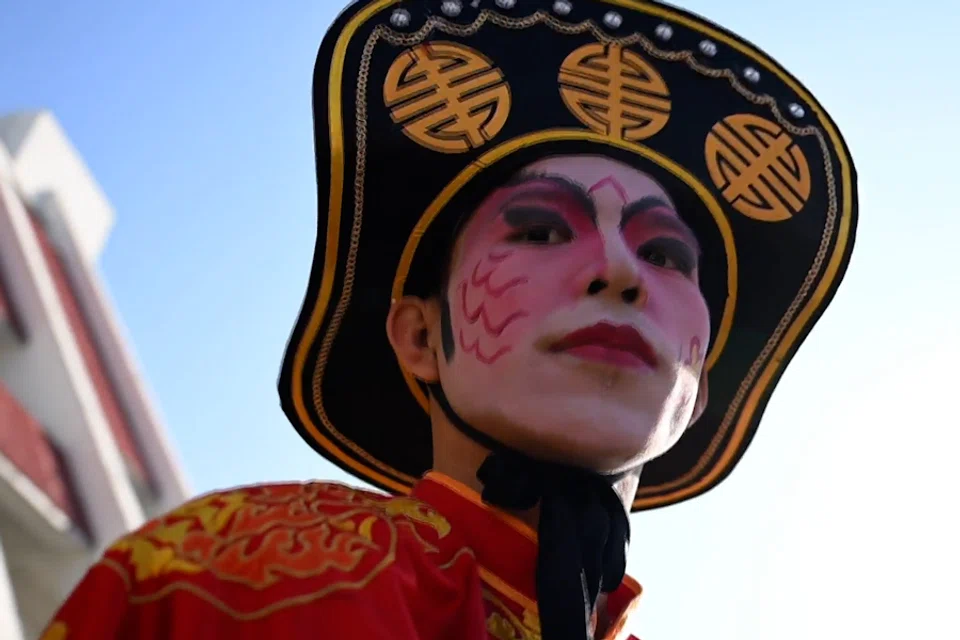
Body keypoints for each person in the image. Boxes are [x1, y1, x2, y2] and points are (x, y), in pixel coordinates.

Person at [41, 1, 857, 638]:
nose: (618, 270)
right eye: (539, 229)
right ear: (420, 337)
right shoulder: (221, 573)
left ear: (698, 386)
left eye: (668, 256)